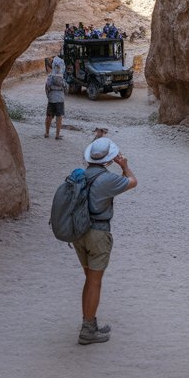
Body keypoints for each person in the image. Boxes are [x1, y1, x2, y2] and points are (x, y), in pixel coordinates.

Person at [72, 136, 137, 344]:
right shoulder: (108, 179)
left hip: (78, 232)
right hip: (98, 234)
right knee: (95, 281)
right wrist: (124, 165)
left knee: (89, 279)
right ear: (108, 160)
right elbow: (132, 181)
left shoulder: (80, 175)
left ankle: (89, 322)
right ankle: (88, 330)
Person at [44, 57, 66, 140]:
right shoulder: (61, 77)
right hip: (60, 99)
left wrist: (48, 96)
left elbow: (46, 87)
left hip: (51, 99)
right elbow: (65, 87)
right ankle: (57, 134)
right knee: (59, 117)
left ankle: (47, 132)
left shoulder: (50, 77)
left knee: (49, 116)